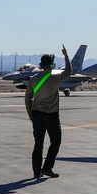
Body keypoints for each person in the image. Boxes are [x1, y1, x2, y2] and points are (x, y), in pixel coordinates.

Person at [25, 45, 74, 178]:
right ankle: (47, 168)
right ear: (51, 65)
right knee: (56, 141)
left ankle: (36, 172)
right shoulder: (55, 78)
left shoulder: (33, 79)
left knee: (38, 144)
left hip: (37, 115)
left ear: (41, 65)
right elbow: (68, 71)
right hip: (51, 116)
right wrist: (66, 56)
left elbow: (28, 97)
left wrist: (30, 113)